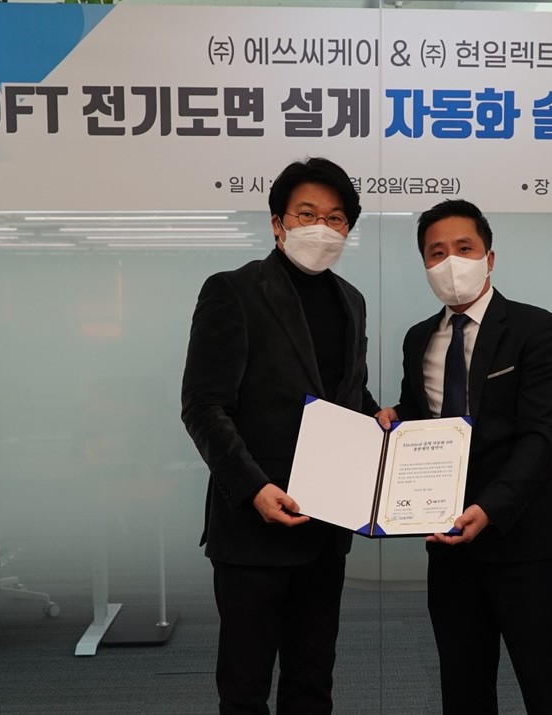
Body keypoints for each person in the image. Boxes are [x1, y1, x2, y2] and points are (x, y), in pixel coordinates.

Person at [181, 157, 380, 714]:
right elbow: (203, 405)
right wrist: (254, 488)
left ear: (348, 229)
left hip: (326, 524)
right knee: (245, 687)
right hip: (255, 527)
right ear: (277, 223)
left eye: (335, 218)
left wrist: (377, 418)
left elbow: (345, 394)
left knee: (312, 681)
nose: (322, 227)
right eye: (306, 214)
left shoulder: (351, 300)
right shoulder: (233, 291)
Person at [376, 199, 552, 714]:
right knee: (463, 687)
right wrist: (394, 419)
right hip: (448, 539)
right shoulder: (418, 339)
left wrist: (489, 508)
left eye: (464, 248)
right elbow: (424, 413)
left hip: (524, 536)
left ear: (489, 257)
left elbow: (542, 435)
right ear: (424, 264)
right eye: (436, 252)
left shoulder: (538, 329)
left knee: (548, 687)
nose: (450, 262)